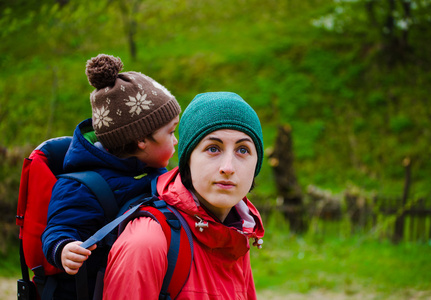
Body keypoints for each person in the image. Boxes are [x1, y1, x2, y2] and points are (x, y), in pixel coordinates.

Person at [41, 54, 181, 299]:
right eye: (170, 132)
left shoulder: (150, 169)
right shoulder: (80, 187)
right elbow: (58, 227)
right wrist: (64, 248)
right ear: (141, 140)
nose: (176, 140)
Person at [103, 92, 265, 299]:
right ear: (188, 160)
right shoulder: (147, 241)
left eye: (243, 150)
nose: (228, 167)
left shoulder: (236, 234)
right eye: (213, 148)